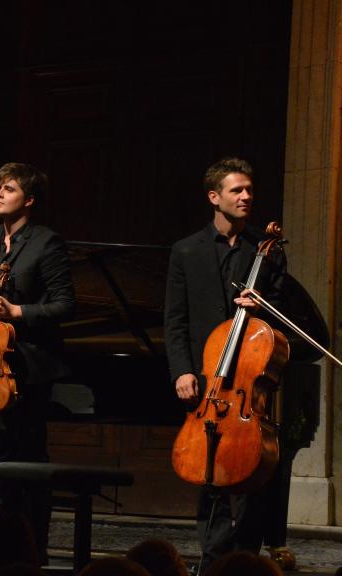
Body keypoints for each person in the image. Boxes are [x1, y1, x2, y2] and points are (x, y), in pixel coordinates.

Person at [163, 157, 287, 572]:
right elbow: (174, 319)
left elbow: (287, 313)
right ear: (214, 197)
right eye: (237, 190)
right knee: (210, 475)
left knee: (252, 476)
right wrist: (181, 369)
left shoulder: (265, 250)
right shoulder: (186, 250)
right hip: (206, 379)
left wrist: (263, 306)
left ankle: (245, 562)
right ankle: (214, 560)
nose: (247, 196)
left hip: (250, 378)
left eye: (250, 190)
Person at [0, 162, 75, 563]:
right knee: (1, 462)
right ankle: (6, 549)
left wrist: (19, 312)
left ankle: (35, 549)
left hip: (30, 370)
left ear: (28, 200)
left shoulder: (47, 243)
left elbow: (66, 304)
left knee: (30, 462)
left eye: (8, 188)